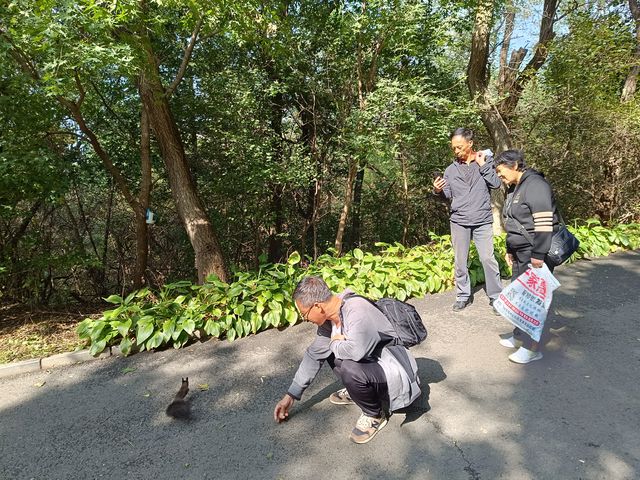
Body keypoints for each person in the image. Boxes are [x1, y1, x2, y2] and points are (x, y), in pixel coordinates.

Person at [273, 276, 421, 444]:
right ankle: (360, 392)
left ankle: (374, 414)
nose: (306, 319)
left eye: (305, 315)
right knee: (327, 351)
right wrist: (291, 395)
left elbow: (356, 352)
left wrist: (335, 342)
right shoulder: (329, 321)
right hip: (374, 364)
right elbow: (314, 355)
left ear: (317, 306)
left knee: (349, 366)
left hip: (395, 371)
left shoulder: (356, 310)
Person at [494, 149, 560, 364]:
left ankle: (532, 348)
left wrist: (538, 255)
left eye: (500, 170)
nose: (499, 176)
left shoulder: (536, 185)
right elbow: (513, 221)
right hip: (521, 252)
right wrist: (510, 249)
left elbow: (543, 221)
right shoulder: (516, 187)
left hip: (535, 253)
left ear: (514, 165)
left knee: (535, 301)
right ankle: (519, 334)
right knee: (522, 297)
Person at [433, 127, 503, 312]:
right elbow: (447, 196)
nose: (456, 151)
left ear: (470, 144)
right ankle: (463, 295)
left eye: (459, 147)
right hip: (459, 220)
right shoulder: (450, 170)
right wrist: (438, 191)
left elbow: (496, 184)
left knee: (487, 258)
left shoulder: (485, 162)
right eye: (454, 148)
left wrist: (483, 166)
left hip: (482, 219)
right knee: (460, 261)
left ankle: (496, 297)